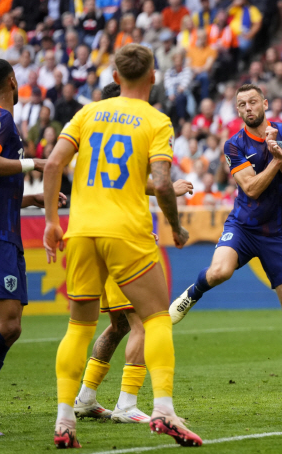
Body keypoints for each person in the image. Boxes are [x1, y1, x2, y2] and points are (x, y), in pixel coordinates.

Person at [42, 44, 201, 448]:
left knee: (79, 327)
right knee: (156, 319)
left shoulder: (87, 112)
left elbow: (55, 164)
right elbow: (162, 183)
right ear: (153, 76)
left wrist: (50, 222)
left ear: (115, 78)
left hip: (80, 230)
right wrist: (176, 227)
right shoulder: (156, 119)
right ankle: (163, 409)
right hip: (126, 232)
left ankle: (65, 419)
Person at [168, 84, 282, 389]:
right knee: (220, 270)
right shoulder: (233, 144)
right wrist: (276, 159)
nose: (248, 108)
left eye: (252, 102)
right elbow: (251, 188)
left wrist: (279, 151)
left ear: (265, 103)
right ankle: (192, 294)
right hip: (243, 225)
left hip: (277, 230)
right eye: (241, 104)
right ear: (238, 111)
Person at [73, 82, 193, 425]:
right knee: (148, 321)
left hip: (94, 234)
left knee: (117, 326)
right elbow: (134, 179)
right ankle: (127, 403)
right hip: (124, 238)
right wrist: (163, 191)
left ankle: (84, 398)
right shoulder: (136, 127)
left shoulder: (91, 129)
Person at [0, 58, 55, 437]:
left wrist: (25, 199)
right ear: (13, 81)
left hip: (1, 226)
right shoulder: (0, 117)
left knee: (9, 328)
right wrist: (35, 162)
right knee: (7, 323)